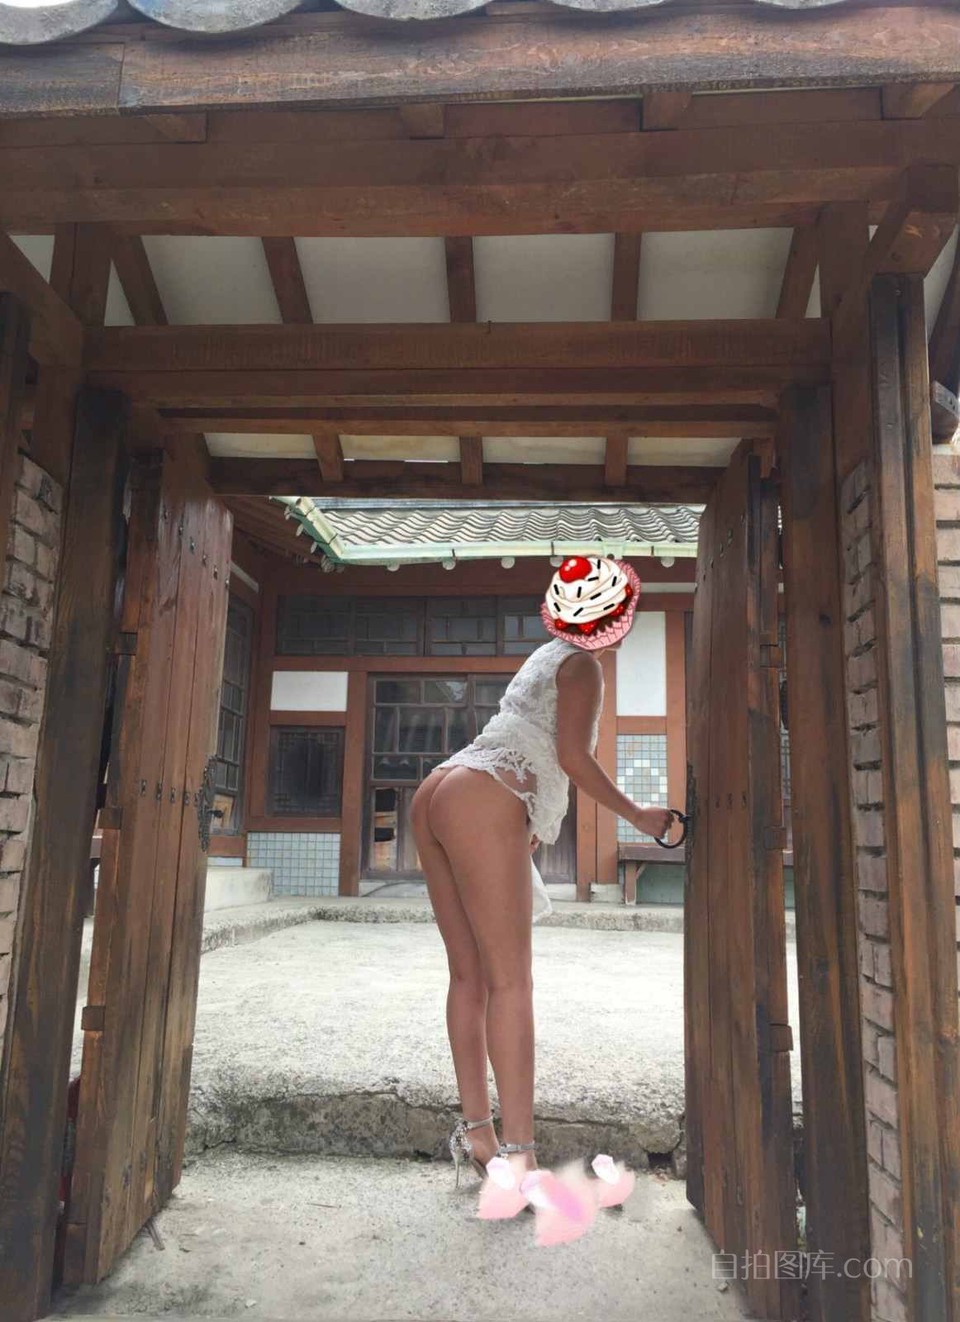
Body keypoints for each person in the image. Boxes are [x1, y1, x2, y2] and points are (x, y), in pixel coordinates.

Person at [410, 554, 674, 1192]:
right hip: (486, 792)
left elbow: (530, 744)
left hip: (442, 785)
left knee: (468, 977)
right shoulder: (583, 666)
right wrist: (639, 815)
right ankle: (520, 1157)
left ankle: (479, 1135)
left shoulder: (546, 656)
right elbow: (572, 759)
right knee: (511, 983)